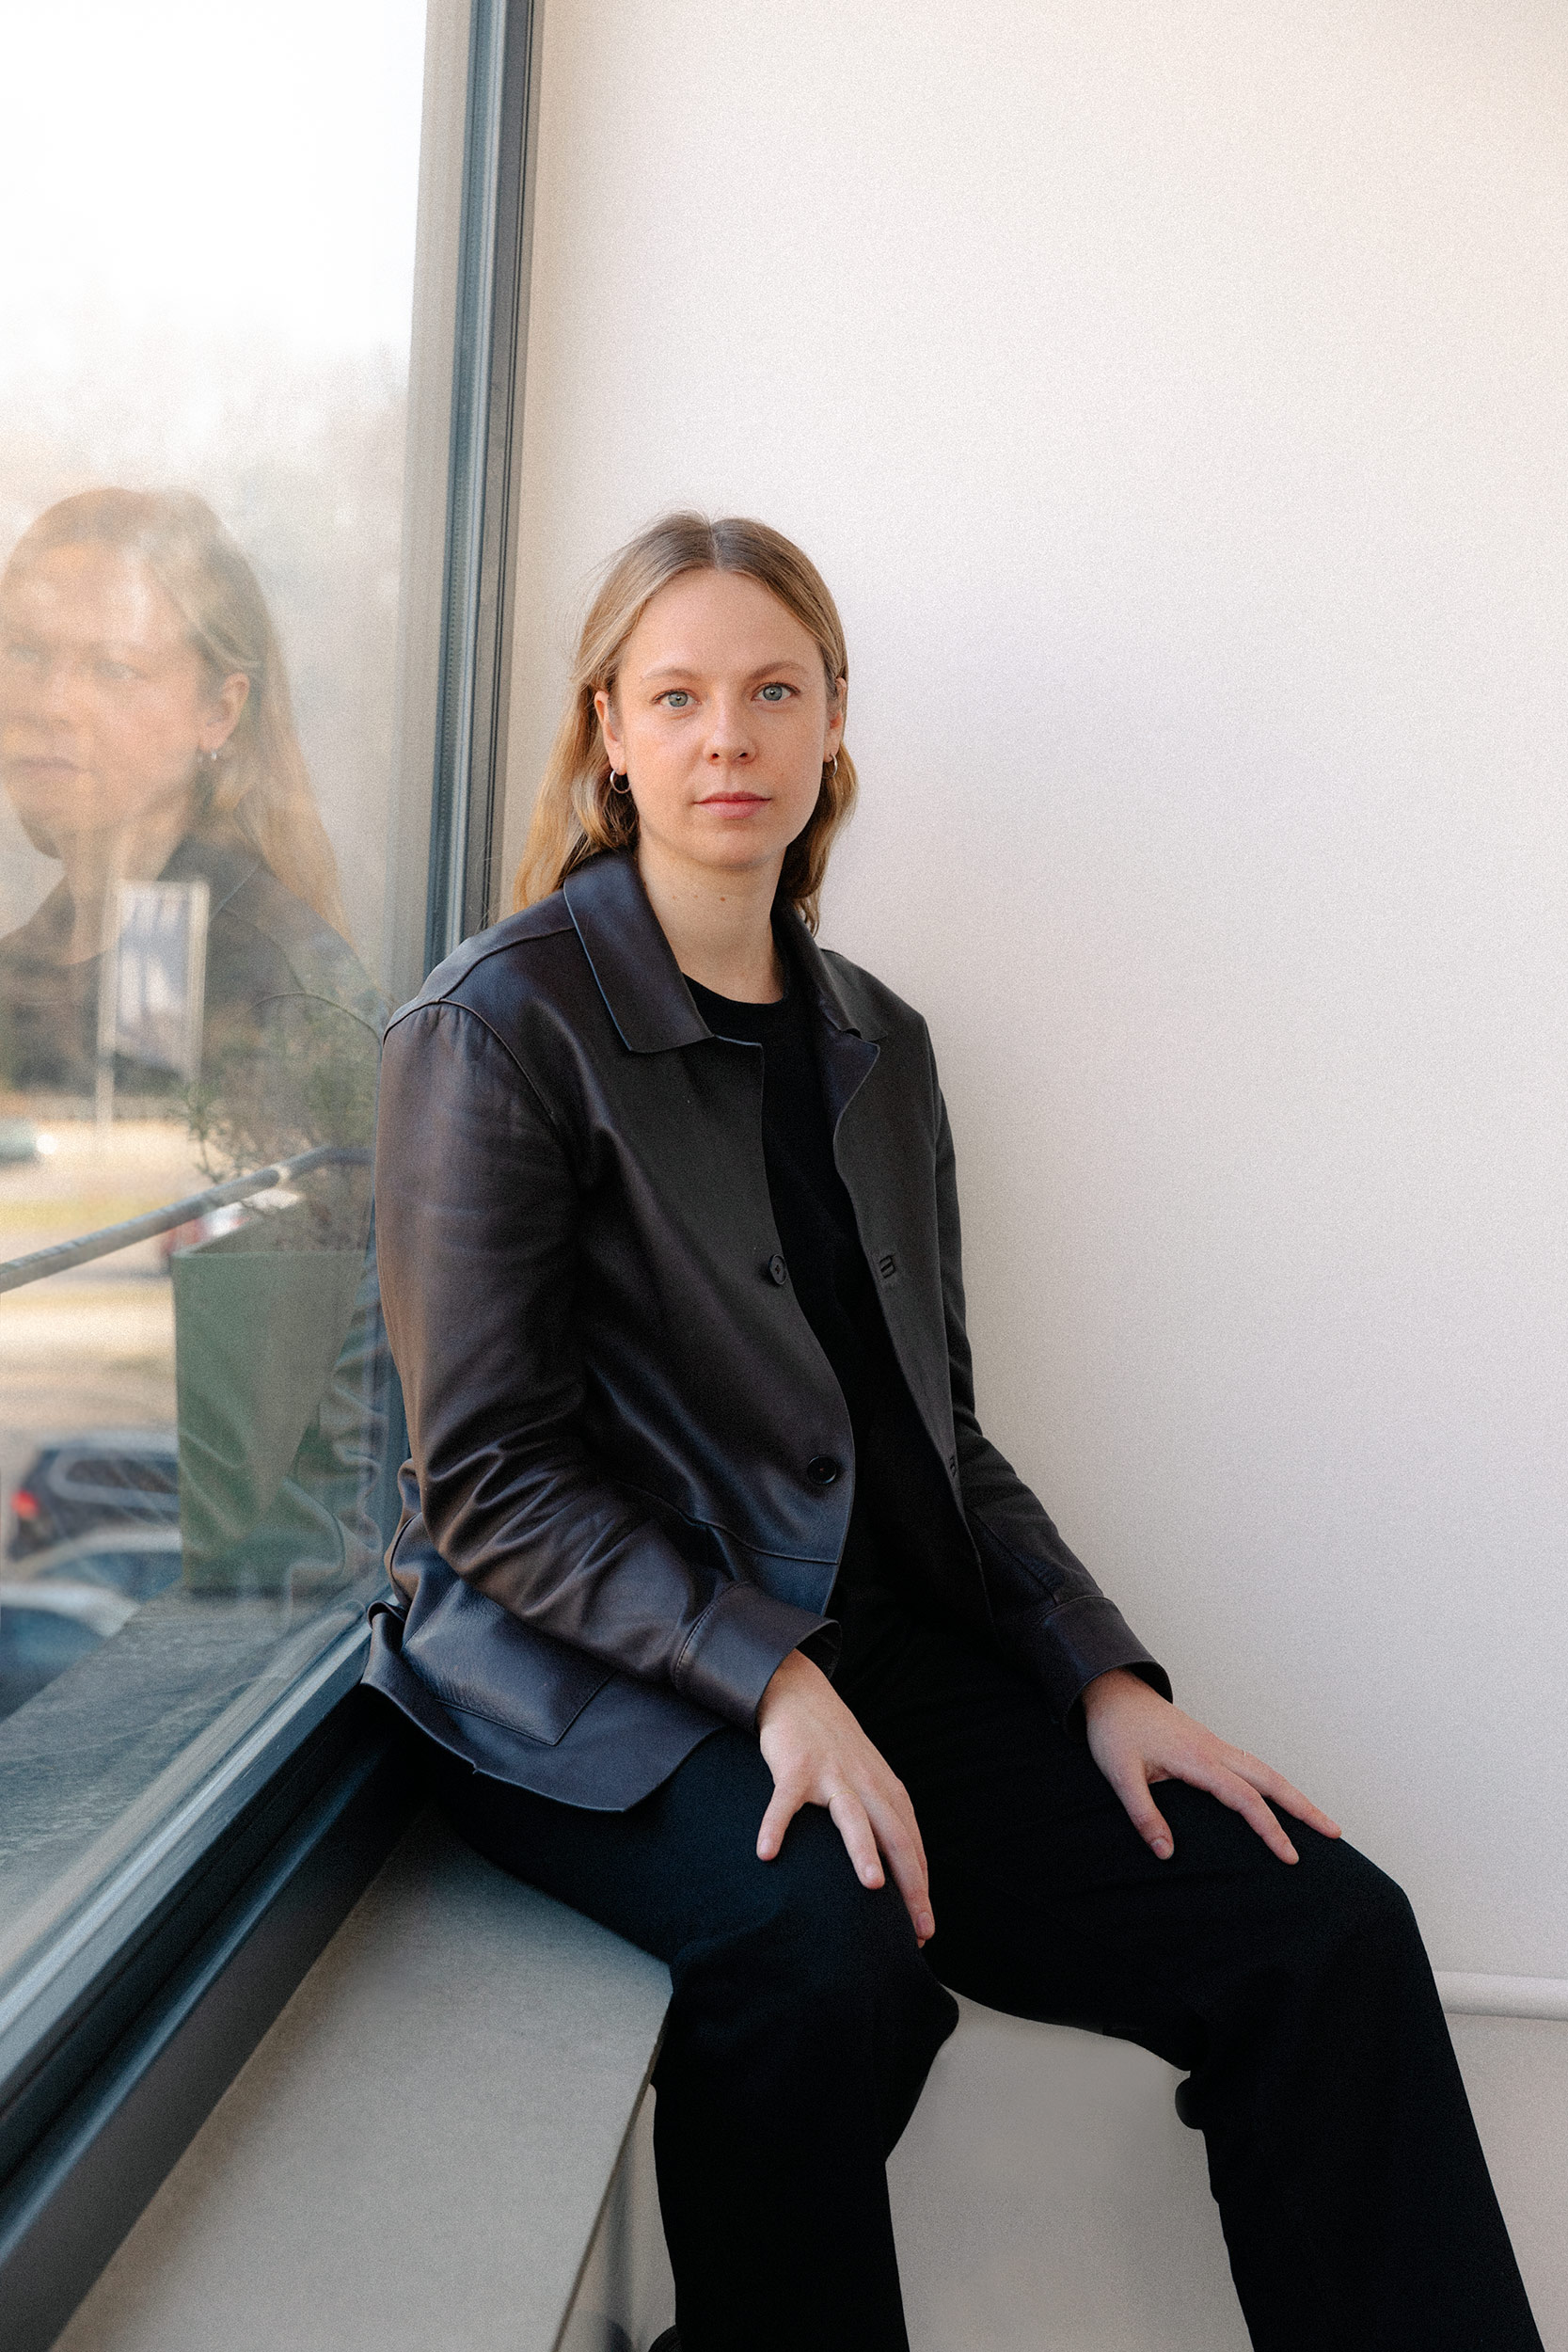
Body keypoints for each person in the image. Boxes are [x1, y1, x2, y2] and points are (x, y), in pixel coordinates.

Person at [367, 513, 1542, 2352]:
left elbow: (941, 1436)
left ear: (834, 719)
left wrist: (1101, 1676)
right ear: (608, 730)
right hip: (585, 1674)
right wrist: (767, 1676)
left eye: (774, 690)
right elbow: (490, 1480)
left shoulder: (875, 1039)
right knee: (819, 1950)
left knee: (1321, 1930)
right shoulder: (495, 1023)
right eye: (675, 695)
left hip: (866, 1653)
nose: (727, 736)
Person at [0, 488, 388, 1597]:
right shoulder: (36, 972)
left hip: (155, 1604)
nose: (50, 702)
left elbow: (250, 1478)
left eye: (111, 668)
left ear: (220, 710)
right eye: (27, 653)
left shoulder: (277, 997)